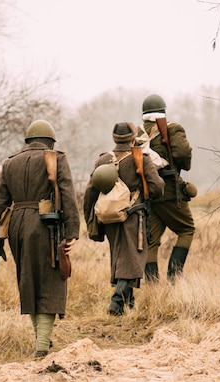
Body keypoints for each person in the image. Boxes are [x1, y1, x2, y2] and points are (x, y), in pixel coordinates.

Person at [0, 120, 80, 357]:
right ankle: (42, 346)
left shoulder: (10, 163)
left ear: (28, 140)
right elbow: (68, 194)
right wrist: (72, 231)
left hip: (17, 225)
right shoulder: (56, 158)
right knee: (50, 280)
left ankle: (42, 340)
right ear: (50, 140)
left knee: (28, 280)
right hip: (46, 226)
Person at [83, 122, 164, 316]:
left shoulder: (102, 160)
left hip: (108, 217)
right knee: (133, 259)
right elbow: (157, 188)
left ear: (114, 138)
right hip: (133, 216)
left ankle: (128, 305)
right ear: (133, 138)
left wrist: (90, 220)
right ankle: (116, 302)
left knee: (120, 256)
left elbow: (89, 193)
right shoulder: (141, 159)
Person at [136, 94, 196, 283]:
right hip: (170, 193)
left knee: (151, 242)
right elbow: (184, 156)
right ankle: (174, 276)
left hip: (148, 194)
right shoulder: (172, 129)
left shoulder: (138, 133)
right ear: (163, 110)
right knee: (187, 229)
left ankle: (153, 286)